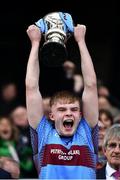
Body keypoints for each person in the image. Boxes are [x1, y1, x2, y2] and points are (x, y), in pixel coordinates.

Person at [26, 23, 99, 179]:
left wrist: (81, 41)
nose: (69, 113)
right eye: (62, 110)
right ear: (51, 115)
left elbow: (91, 85)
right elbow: (31, 87)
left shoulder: (86, 131)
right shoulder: (44, 133)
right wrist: (35, 44)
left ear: (80, 114)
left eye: (73, 109)